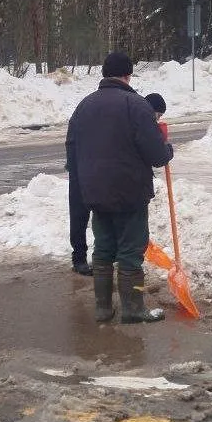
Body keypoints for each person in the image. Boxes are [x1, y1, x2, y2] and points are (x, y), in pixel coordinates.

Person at [66, 52, 174, 323]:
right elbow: (156, 155)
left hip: (95, 193)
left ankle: (103, 309)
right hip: (129, 193)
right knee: (130, 251)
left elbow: (72, 150)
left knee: (103, 249)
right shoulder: (136, 105)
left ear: (105, 73)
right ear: (128, 74)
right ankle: (133, 309)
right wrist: (167, 149)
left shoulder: (84, 106)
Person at [65, 93, 167, 276]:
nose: (157, 119)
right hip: (98, 171)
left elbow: (72, 138)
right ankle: (84, 259)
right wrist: (166, 149)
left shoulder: (88, 104)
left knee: (92, 221)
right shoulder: (135, 109)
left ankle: (89, 262)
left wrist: (75, 165)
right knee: (89, 216)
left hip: (87, 167)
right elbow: (154, 153)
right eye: (157, 115)